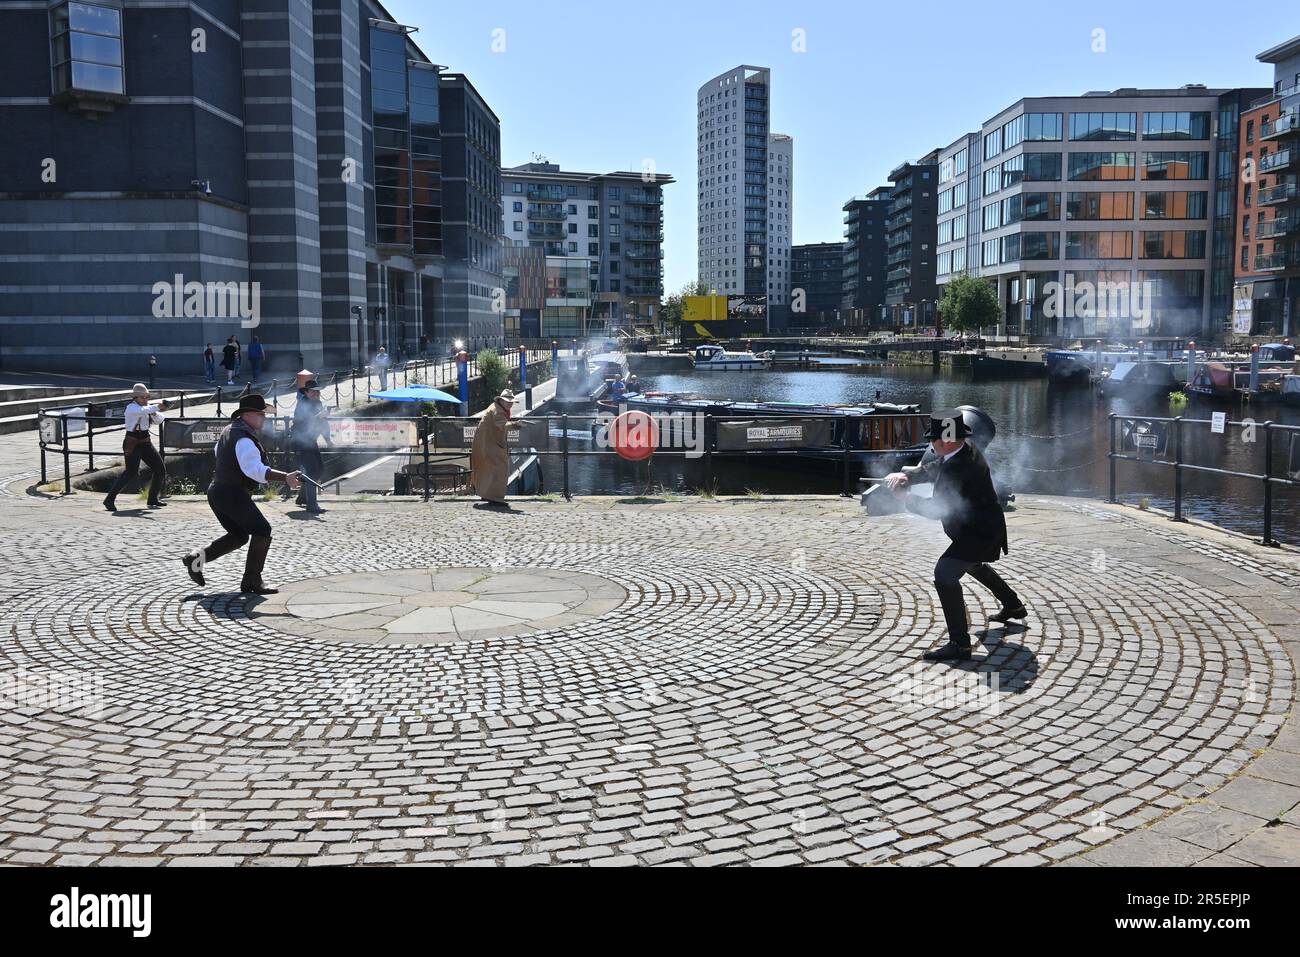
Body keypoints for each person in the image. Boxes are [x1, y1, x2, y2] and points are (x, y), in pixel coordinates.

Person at [884, 409, 1027, 662]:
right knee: (973, 565)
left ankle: (960, 645)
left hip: (979, 533)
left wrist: (905, 497)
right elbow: (935, 465)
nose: (931, 444)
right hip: (978, 528)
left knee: (945, 574)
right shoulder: (961, 448)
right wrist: (907, 475)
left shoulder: (961, 467)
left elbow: (936, 509)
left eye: (933, 439)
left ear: (945, 440)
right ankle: (1014, 606)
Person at [181, 394, 300, 595]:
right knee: (262, 529)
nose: (264, 418)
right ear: (247, 414)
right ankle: (252, 581)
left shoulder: (230, 430)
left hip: (219, 491)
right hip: (230, 493)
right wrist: (286, 477)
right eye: (260, 414)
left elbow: (219, 453)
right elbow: (254, 469)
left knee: (239, 536)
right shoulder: (244, 438)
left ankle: (195, 559)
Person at [103, 384, 170, 512]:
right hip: (133, 442)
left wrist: (155, 411)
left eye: (147, 397)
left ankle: (152, 499)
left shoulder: (147, 408)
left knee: (160, 469)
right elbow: (142, 411)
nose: (146, 399)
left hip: (145, 442)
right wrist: (156, 407)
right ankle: (109, 499)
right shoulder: (131, 407)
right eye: (143, 397)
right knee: (130, 472)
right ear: (136, 397)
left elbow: (160, 420)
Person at [290, 379, 331, 514]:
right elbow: (301, 423)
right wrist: (318, 416)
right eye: (313, 391)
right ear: (306, 392)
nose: (316, 393)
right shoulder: (301, 405)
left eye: (317, 391)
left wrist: (328, 439)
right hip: (301, 441)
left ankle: (302, 497)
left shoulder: (318, 403)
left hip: (311, 440)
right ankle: (312, 505)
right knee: (312, 471)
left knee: (318, 469)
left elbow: (323, 423)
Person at [469, 389, 515, 507]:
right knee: (499, 469)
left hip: (487, 442)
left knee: (489, 469)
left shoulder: (496, 407)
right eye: (507, 402)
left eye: (511, 402)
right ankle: (495, 498)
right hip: (489, 444)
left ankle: (488, 495)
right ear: (501, 400)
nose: (509, 404)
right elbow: (502, 425)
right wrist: (516, 425)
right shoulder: (498, 411)